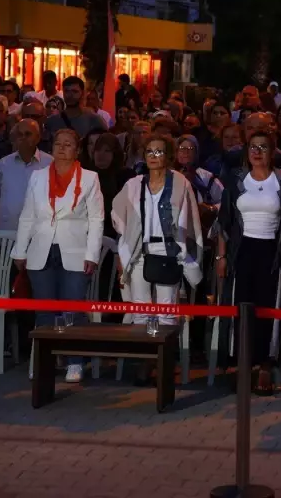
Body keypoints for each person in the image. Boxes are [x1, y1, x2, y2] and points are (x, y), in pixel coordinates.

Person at [11, 127, 105, 384]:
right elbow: (28, 215)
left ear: (77, 150)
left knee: (72, 309)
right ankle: (44, 360)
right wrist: (20, 250)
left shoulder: (90, 178)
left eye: (68, 144)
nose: (62, 148)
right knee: (44, 311)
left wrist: (92, 254)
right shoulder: (38, 177)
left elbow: (97, 219)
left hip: (75, 251)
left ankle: (75, 361)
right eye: (58, 143)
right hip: (41, 250)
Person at [214, 128, 281, 395]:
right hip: (241, 251)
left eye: (263, 147)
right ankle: (241, 363)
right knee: (240, 306)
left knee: (268, 308)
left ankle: (265, 364)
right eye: (253, 146)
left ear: (273, 152)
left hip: (272, 253)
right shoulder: (236, 179)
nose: (257, 151)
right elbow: (224, 222)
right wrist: (221, 256)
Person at [112, 133, 204, 383]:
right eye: (149, 151)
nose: (154, 156)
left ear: (169, 156)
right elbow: (118, 214)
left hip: (168, 251)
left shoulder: (180, 183)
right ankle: (146, 361)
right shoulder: (134, 184)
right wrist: (128, 234)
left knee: (166, 311)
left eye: (159, 151)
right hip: (139, 252)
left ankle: (164, 363)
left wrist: (182, 244)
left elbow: (189, 218)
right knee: (141, 310)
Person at [0, 119, 52, 231]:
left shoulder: (50, 163)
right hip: (6, 234)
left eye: (28, 134)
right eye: (20, 134)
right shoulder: (4, 164)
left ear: (38, 138)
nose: (23, 138)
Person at [45, 76, 107, 142]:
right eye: (66, 91)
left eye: (75, 91)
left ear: (82, 93)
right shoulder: (52, 122)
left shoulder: (94, 120)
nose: (70, 95)